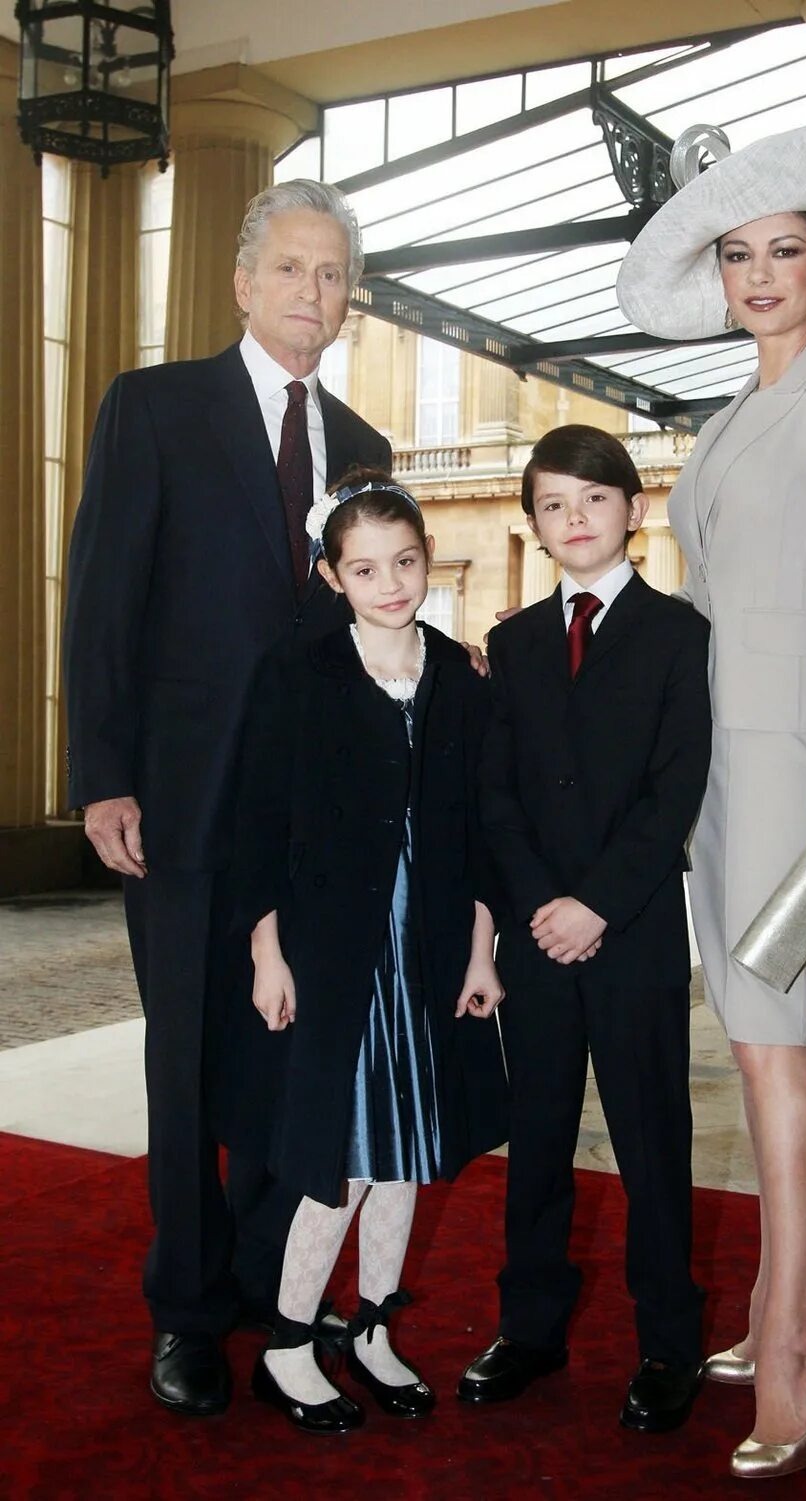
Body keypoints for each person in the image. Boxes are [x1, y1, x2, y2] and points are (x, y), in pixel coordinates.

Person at [63, 179, 391, 1416]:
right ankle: (188, 1310)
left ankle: (265, 1279)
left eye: (333, 273)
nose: (313, 290)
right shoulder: (153, 408)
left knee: (288, 1056)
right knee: (190, 1061)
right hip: (182, 803)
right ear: (244, 282)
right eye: (292, 268)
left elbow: (364, 625)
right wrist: (103, 776)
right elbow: (103, 600)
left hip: (308, 821)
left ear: (348, 299)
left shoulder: (362, 445)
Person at [617, 120, 806, 1479]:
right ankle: (779, 1296)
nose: (756, 274)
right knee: (749, 1037)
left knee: (768, 1037)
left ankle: (793, 1337)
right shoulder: (729, 417)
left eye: (782, 250)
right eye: (735, 254)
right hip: (715, 764)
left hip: (793, 760)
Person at [222, 470, 508, 1433]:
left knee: (404, 1152)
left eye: (406, 562)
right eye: (366, 568)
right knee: (337, 1154)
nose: (390, 584)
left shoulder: (457, 675)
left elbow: (476, 829)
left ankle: (376, 1325)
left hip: (427, 947)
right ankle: (288, 1342)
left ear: (428, 561)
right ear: (331, 575)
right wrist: (267, 953)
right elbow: (258, 824)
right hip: (334, 954)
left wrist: (481, 949)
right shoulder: (297, 672)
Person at [458, 425, 712, 1432]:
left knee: (651, 1139)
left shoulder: (678, 633)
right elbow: (496, 794)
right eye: (554, 504)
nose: (575, 518)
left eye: (594, 498)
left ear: (634, 509)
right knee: (537, 1138)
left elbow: (675, 786)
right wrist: (540, 906)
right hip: (537, 935)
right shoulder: (515, 642)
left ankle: (669, 1341)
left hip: (632, 928)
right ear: (533, 522)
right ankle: (529, 1327)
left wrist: (597, 903)